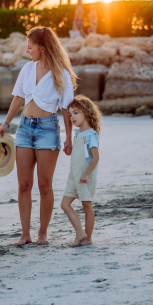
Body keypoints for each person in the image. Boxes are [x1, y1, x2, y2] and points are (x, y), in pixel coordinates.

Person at [0, 27, 77, 246]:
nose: (27, 50)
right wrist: (6, 122)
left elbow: (67, 108)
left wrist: (68, 137)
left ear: (42, 48)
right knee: (23, 184)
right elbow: (18, 98)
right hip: (24, 128)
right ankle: (25, 233)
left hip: (47, 129)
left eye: (30, 47)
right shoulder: (27, 69)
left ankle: (42, 233)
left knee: (44, 185)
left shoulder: (61, 73)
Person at [61, 95, 101, 247]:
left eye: (76, 113)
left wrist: (86, 174)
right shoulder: (78, 134)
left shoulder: (90, 134)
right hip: (74, 175)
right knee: (65, 204)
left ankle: (87, 238)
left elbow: (96, 157)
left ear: (87, 112)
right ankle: (80, 233)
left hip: (85, 176)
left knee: (87, 206)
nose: (72, 117)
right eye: (70, 114)